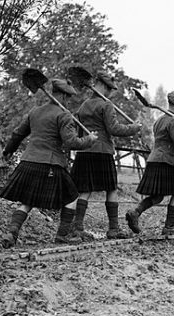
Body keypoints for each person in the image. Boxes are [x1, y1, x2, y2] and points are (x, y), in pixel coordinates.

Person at [0, 79, 98, 248]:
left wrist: (8, 151)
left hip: (28, 161)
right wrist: (89, 139)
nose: (69, 101)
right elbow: (71, 142)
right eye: (69, 97)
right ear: (64, 96)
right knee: (72, 197)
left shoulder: (35, 112)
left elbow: (17, 134)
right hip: (51, 163)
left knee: (27, 201)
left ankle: (12, 231)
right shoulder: (64, 115)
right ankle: (61, 236)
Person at [70, 72, 142, 239]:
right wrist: (134, 128)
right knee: (111, 189)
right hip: (102, 151)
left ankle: (78, 227)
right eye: (109, 88)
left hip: (85, 150)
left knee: (84, 190)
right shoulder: (106, 105)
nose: (110, 91)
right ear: (100, 85)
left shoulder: (83, 105)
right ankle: (113, 229)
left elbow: (79, 130)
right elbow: (114, 129)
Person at [125, 91, 174, 235]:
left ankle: (135, 212)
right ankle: (169, 227)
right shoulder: (173, 121)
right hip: (166, 161)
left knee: (158, 196)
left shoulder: (159, 120)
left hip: (155, 160)